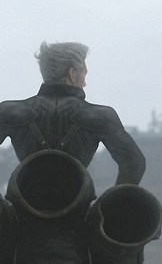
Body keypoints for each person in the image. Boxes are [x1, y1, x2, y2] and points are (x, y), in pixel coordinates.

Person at [0, 42, 145, 185]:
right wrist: (113, 199)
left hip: (22, 198)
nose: (85, 83)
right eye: (84, 74)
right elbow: (134, 162)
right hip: (79, 199)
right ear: (72, 74)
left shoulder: (9, 111)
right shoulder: (101, 116)